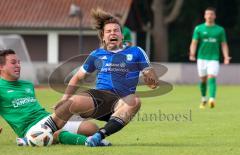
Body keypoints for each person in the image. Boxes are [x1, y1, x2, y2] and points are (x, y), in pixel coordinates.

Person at [53, 8, 159, 147]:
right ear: (103, 36)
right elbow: (77, 77)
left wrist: (150, 79)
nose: (112, 33)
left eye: (116, 30)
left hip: (120, 103)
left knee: (135, 101)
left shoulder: (136, 52)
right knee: (68, 106)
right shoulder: (97, 54)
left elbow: (153, 83)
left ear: (122, 35)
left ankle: (98, 137)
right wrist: (64, 99)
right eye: (108, 31)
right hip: (98, 100)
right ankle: (39, 134)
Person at [0, 49, 110, 146]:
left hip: (48, 118)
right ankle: (89, 142)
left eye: (19, 62)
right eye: (13, 63)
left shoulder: (27, 85)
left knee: (92, 128)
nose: (18, 65)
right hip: (30, 128)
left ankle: (29, 141)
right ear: (1, 67)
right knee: (54, 134)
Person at [189, 7, 231, 109]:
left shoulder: (220, 30)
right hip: (201, 58)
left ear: (215, 16)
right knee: (203, 80)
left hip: (214, 59)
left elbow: (224, 44)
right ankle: (204, 99)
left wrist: (226, 57)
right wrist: (192, 54)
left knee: (211, 78)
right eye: (207, 14)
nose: (209, 16)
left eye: (211, 14)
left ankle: (212, 99)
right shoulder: (199, 29)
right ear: (204, 16)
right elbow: (194, 43)